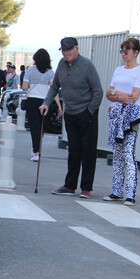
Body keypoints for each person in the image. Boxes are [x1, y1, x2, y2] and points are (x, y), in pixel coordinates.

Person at [40, 37, 103, 198]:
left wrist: (90, 111)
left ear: (77, 49)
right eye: (63, 50)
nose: (66, 53)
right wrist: (46, 103)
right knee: (74, 150)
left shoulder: (87, 65)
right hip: (70, 113)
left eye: (69, 49)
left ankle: (86, 187)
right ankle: (70, 186)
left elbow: (98, 91)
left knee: (88, 151)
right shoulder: (61, 64)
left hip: (86, 113)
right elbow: (55, 86)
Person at [103, 38, 140, 206]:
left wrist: (117, 94)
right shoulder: (118, 70)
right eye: (122, 51)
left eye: (126, 51)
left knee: (128, 153)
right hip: (115, 113)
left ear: (135, 52)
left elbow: (134, 97)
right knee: (117, 153)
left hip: (130, 116)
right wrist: (121, 96)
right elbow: (108, 94)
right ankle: (116, 191)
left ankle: (130, 193)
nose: (124, 54)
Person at [22, 48, 62, 162]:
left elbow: (25, 87)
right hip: (45, 102)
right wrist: (59, 105)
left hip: (32, 101)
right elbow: (54, 91)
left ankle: (36, 151)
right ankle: (37, 149)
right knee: (41, 128)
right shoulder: (51, 73)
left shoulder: (30, 70)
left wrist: (32, 85)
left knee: (34, 127)